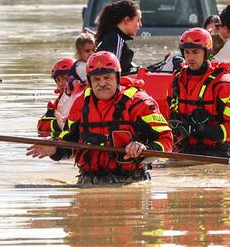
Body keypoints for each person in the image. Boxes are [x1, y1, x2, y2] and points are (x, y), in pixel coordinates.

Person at [27, 52, 173, 184]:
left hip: (131, 181)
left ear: (117, 77)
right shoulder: (80, 103)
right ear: (89, 82)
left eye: (107, 78)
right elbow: (69, 143)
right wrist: (54, 149)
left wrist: (145, 149)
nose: (102, 83)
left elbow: (166, 140)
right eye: (96, 79)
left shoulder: (139, 103)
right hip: (88, 180)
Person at [167, 28, 230, 158]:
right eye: (186, 52)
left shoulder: (224, 84)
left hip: (216, 153)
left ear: (207, 52)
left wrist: (200, 130)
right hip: (183, 151)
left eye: (195, 52)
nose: (190, 57)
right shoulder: (176, 82)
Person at [93, 0, 142, 73]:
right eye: (138, 20)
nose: (140, 25)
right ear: (127, 20)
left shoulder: (110, 36)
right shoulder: (116, 40)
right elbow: (113, 73)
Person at [38, 57, 75, 136]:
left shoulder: (85, 98)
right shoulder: (54, 104)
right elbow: (41, 125)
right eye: (58, 80)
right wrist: (58, 124)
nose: (61, 83)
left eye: (65, 78)